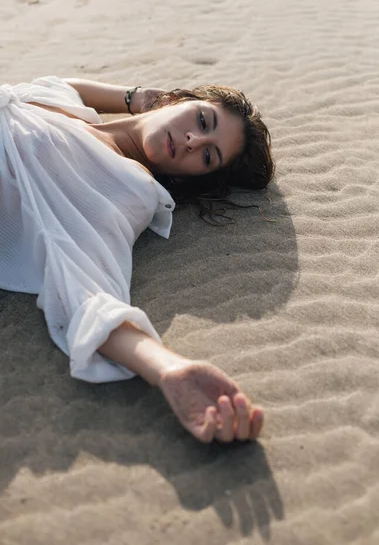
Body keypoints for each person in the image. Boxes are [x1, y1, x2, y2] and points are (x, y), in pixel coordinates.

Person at [0, 76, 274, 444]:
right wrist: (134, 98)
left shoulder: (128, 186)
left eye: (208, 157)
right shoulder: (67, 105)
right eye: (202, 120)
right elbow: (59, 86)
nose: (194, 141)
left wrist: (168, 369)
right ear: (175, 100)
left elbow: (90, 293)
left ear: (193, 178)